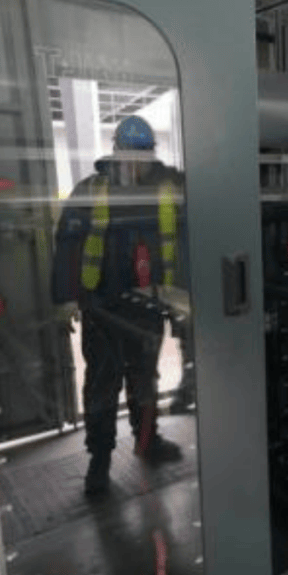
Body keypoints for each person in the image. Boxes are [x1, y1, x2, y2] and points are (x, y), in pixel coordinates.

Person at [52, 116, 184, 498]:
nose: (136, 162)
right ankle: (100, 460)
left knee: (145, 378)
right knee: (102, 383)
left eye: (143, 154)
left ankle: (148, 440)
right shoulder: (91, 190)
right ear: (116, 150)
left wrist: (182, 298)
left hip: (149, 306)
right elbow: (67, 245)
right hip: (102, 307)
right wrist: (65, 299)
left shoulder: (165, 191)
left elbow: (183, 242)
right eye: (129, 153)